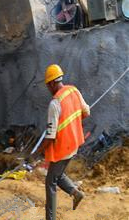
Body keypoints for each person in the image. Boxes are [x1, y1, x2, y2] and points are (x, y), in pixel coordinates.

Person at [39, 64, 89, 220]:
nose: (48, 89)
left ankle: (51, 218)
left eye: (48, 85)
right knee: (57, 174)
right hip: (74, 143)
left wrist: (39, 151)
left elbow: (50, 136)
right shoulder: (74, 90)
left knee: (50, 182)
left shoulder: (55, 104)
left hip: (63, 148)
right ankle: (75, 193)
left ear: (52, 83)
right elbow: (86, 112)